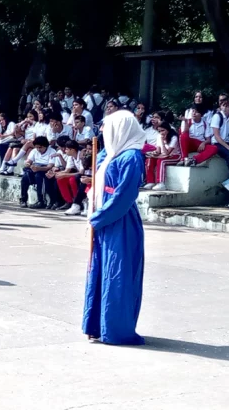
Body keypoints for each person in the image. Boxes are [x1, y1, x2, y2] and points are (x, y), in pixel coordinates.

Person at [83, 110, 146, 345]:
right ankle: (95, 324)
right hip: (102, 217)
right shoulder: (109, 154)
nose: (102, 132)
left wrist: (98, 217)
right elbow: (98, 175)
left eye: (107, 128)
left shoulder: (131, 157)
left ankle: (116, 329)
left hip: (119, 221)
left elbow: (124, 195)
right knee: (98, 269)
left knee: (117, 274)